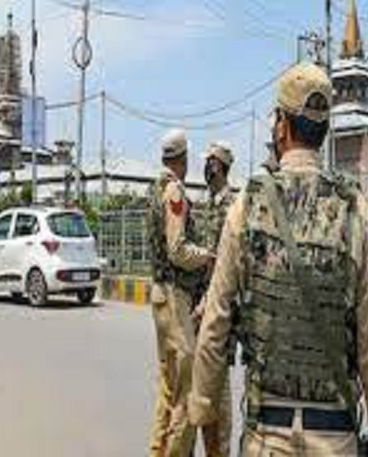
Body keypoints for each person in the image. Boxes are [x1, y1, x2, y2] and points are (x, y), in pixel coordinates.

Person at [188, 62, 368, 456]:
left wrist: (205, 421)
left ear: (281, 127)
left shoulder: (246, 205)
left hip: (266, 438)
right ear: (324, 130)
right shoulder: (355, 209)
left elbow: (214, 328)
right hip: (335, 438)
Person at [147, 128, 214, 457]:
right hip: (175, 295)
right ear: (183, 159)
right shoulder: (174, 190)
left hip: (162, 294)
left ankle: (158, 450)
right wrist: (207, 256)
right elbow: (177, 250)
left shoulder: (155, 187)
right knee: (186, 392)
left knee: (168, 387)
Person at [192, 141, 236, 457]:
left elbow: (225, 263)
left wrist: (207, 300)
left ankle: (219, 449)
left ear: (217, 166)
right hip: (203, 304)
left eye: (209, 162)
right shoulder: (208, 203)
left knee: (217, 388)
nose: (205, 167)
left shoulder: (232, 205)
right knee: (203, 385)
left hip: (218, 306)